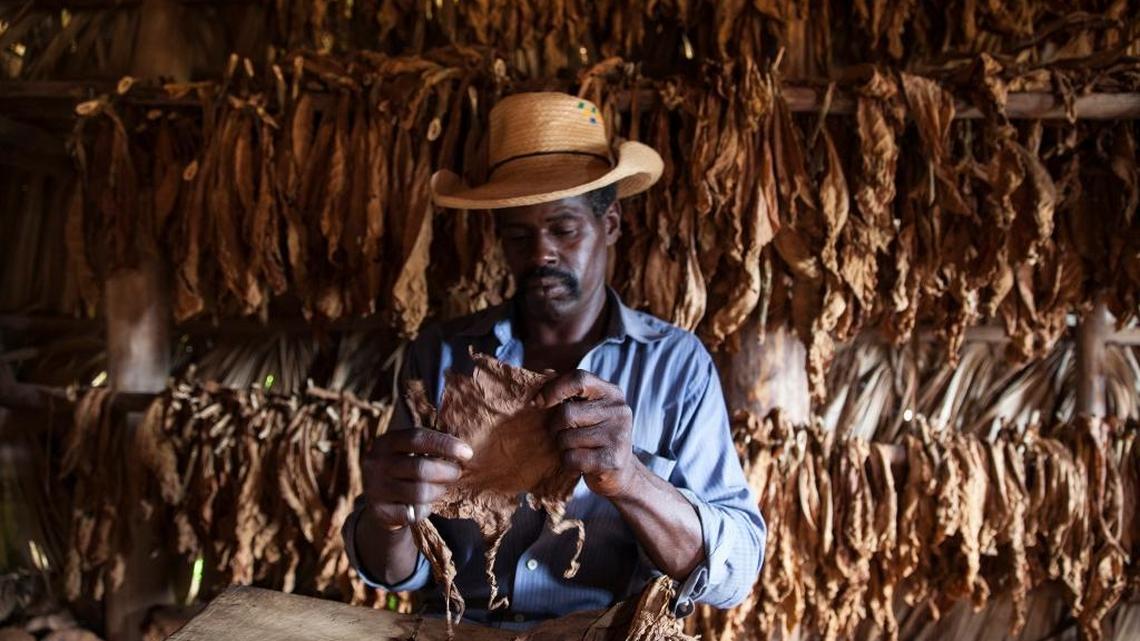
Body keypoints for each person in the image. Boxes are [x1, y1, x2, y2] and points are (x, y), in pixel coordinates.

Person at [343, 92, 765, 629]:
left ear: (609, 224)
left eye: (563, 230)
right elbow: (397, 572)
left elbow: (737, 570)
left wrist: (630, 479)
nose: (541, 253)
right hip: (459, 632)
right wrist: (387, 516)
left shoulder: (675, 366)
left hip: (608, 635)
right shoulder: (440, 356)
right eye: (520, 235)